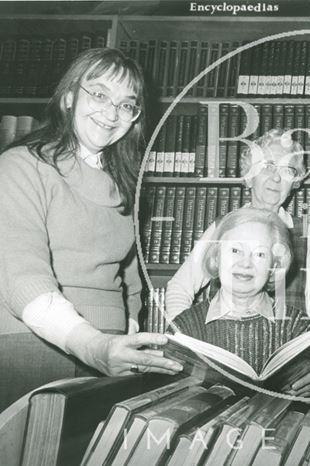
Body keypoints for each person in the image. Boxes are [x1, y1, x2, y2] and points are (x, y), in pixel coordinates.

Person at [0, 48, 182, 411]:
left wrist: (126, 337)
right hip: (35, 347)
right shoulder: (20, 166)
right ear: (68, 97)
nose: (112, 112)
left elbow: (130, 281)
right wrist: (94, 346)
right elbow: (21, 279)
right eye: (99, 94)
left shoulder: (125, 186)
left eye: (126, 104)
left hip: (110, 355)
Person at [166, 128, 310, 327]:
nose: (276, 178)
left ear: (295, 183)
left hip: (285, 349)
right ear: (249, 176)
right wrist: (188, 339)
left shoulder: (304, 233)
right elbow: (179, 288)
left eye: (287, 170)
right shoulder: (223, 227)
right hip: (225, 346)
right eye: (268, 166)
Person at [170, 208, 310, 397]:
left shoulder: (300, 329)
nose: (245, 264)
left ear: (274, 267)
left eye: (259, 254)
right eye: (235, 250)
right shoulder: (184, 329)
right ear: (217, 258)